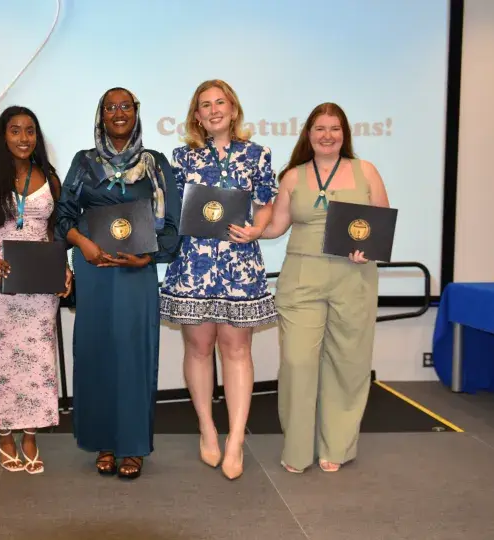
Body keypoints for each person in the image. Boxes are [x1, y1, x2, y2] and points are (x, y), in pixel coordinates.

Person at [54, 87, 181, 480]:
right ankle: (103, 442)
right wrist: (84, 245)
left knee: (133, 357)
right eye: (111, 107)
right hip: (93, 270)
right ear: (101, 116)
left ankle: (132, 446)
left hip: (136, 272)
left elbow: (173, 228)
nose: (118, 113)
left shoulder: (156, 164)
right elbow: (62, 217)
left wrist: (147, 256)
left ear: (136, 113)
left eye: (126, 106)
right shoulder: (83, 163)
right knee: (96, 355)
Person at [260, 102, 390, 473]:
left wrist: (371, 248)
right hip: (302, 279)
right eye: (320, 128)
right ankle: (298, 450)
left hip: (354, 278)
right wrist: (248, 226)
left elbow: (381, 223)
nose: (327, 135)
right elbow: (275, 227)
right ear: (308, 133)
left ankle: (337, 446)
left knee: (348, 363)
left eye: (335, 128)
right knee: (298, 362)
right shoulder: (293, 177)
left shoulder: (366, 172)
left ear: (344, 134)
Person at [159, 79, 278, 480]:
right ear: (197, 116)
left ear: (233, 108)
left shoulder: (258, 155)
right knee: (198, 347)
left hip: (240, 266)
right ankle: (208, 429)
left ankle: (236, 439)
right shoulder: (181, 157)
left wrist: (257, 229)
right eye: (205, 105)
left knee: (237, 349)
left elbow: (265, 206)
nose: (213, 110)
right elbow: (170, 212)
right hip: (193, 266)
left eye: (220, 102)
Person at [0, 106, 72, 475]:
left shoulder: (50, 178)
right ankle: (3, 433)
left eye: (30, 131)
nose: (24, 138)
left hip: (39, 284)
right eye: (15, 131)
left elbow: (55, 232)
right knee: (0, 362)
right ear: (3, 136)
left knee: (38, 361)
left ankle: (30, 433)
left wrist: (65, 267)